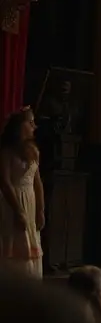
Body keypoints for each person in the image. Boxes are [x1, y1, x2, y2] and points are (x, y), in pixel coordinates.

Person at [0, 107, 44, 277]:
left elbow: (37, 180)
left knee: (31, 242)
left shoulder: (33, 150)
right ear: (20, 126)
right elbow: (5, 182)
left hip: (30, 201)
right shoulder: (6, 152)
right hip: (13, 201)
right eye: (30, 122)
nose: (35, 126)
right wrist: (18, 211)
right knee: (15, 243)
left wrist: (41, 209)